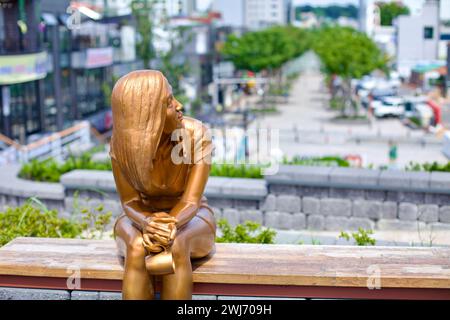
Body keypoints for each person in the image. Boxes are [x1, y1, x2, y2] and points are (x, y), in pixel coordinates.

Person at [109, 70, 216, 300]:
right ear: (148, 114)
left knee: (176, 243)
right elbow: (130, 202)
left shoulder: (197, 134)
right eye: (169, 103)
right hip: (138, 219)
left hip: (192, 218)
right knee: (137, 247)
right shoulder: (121, 146)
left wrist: (168, 226)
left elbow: (191, 201)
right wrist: (147, 222)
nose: (179, 105)